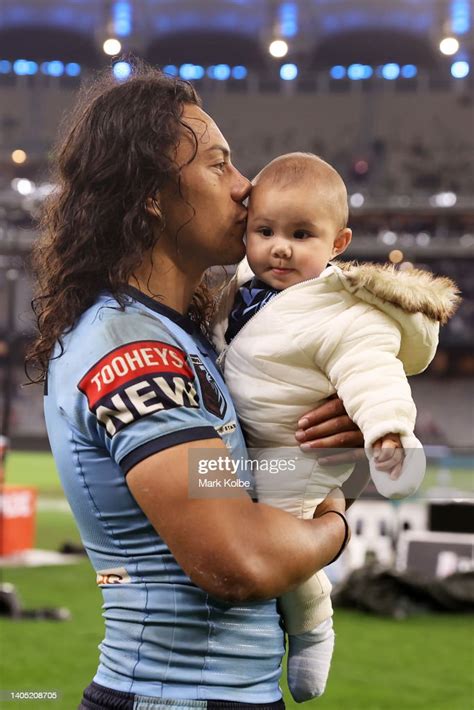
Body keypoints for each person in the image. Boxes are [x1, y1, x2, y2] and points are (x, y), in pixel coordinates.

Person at [26, 68, 366, 709]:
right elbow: (236, 560)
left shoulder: (178, 336)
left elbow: (235, 490)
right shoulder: (137, 352)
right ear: (153, 195)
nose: (247, 190)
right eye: (220, 165)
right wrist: (340, 528)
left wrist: (329, 452)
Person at [212, 152, 460, 702]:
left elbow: (372, 373)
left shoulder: (346, 312)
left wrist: (388, 432)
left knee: (280, 546)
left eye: (302, 234)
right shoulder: (243, 289)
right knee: (233, 514)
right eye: (266, 230)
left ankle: (313, 629)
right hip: (254, 446)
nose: (280, 246)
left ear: (338, 243)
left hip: (297, 451)